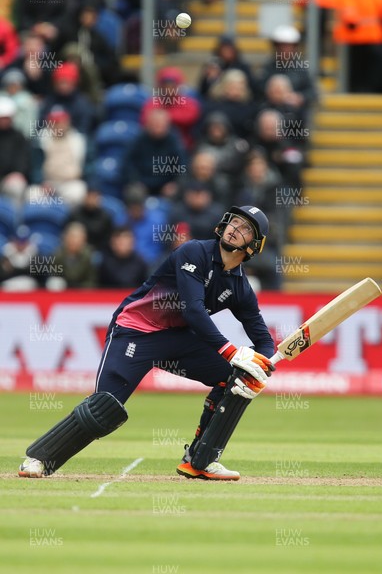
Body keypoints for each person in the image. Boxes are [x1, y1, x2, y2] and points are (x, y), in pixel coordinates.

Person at [19, 205, 275, 481]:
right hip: (135, 331)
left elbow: (262, 337)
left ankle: (200, 460)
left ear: (255, 245)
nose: (236, 229)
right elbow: (193, 310)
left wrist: (264, 365)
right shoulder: (194, 252)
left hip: (175, 340)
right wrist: (230, 350)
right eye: (234, 222)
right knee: (104, 408)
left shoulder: (239, 286)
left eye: (246, 228)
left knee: (235, 380)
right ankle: (40, 458)